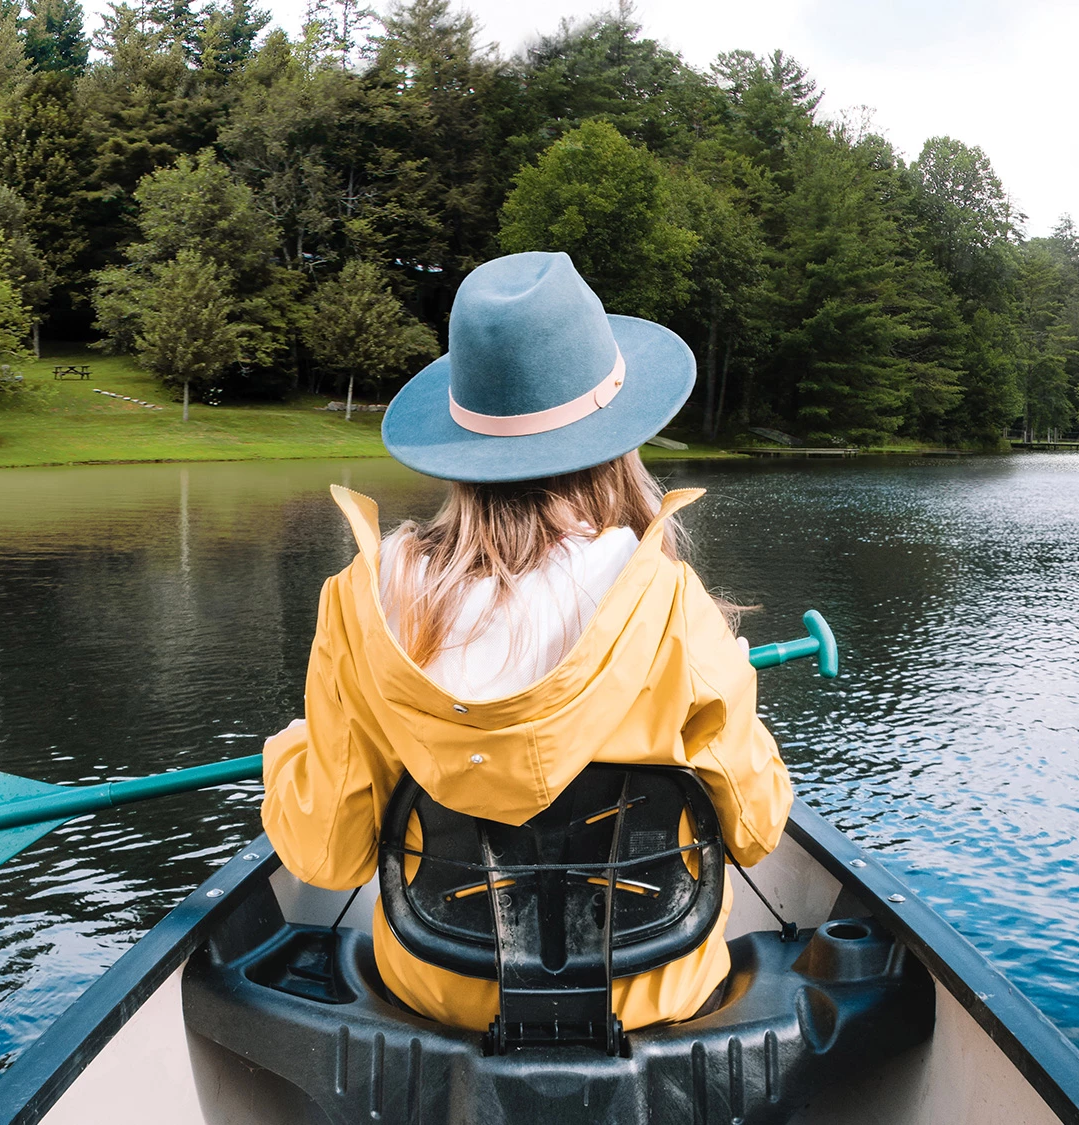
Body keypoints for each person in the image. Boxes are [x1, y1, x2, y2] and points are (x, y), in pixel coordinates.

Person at [261, 251, 793, 1032]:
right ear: (621, 440)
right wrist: (735, 695)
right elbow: (754, 827)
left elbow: (328, 852)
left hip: (435, 992)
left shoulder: (361, 605)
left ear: (460, 446)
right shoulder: (672, 604)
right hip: (656, 993)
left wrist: (290, 749)